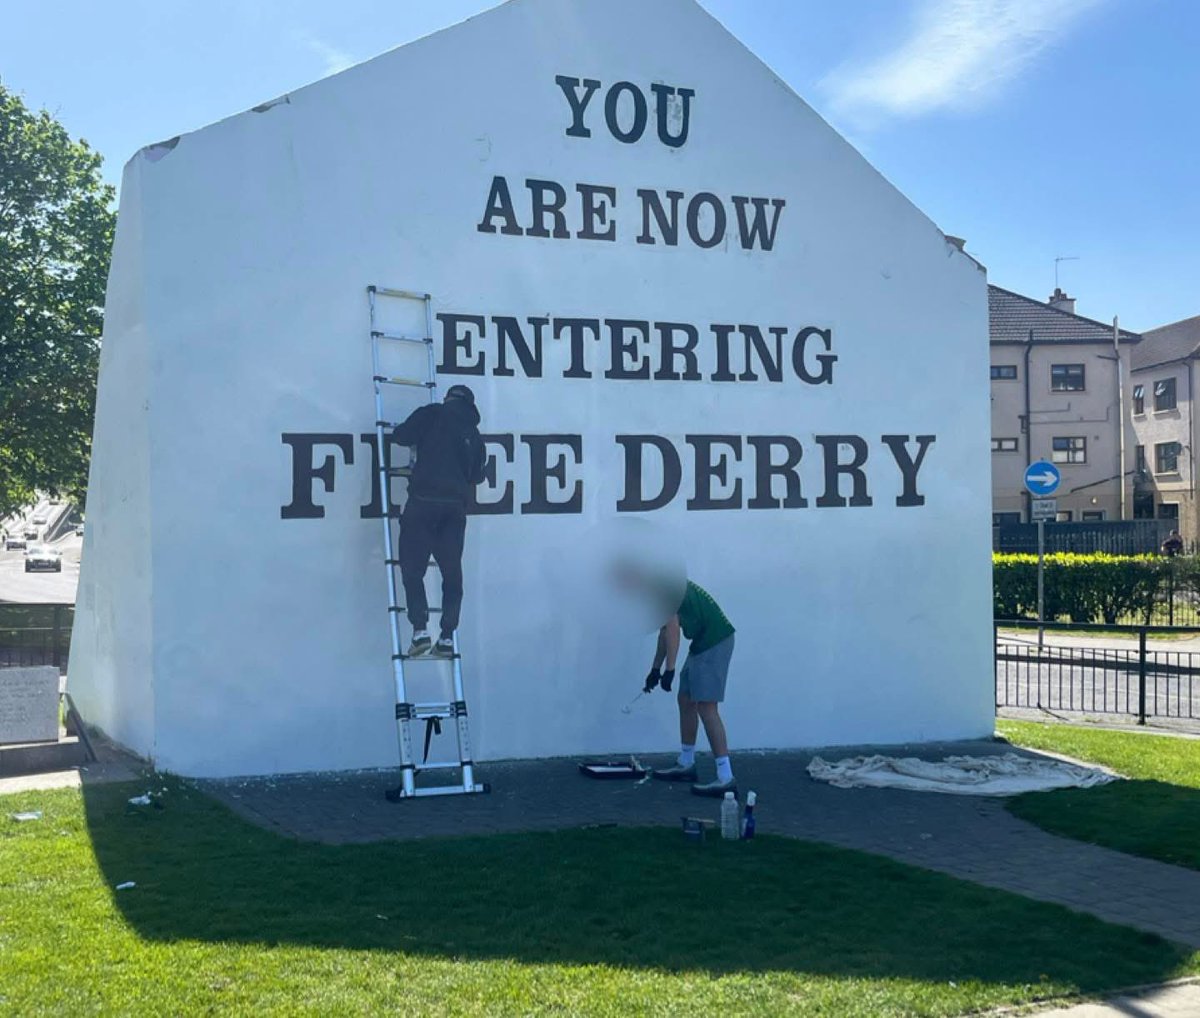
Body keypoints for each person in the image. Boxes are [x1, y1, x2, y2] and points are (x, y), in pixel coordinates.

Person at [392, 384, 485, 657]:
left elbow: (401, 436)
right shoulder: (475, 435)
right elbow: (477, 476)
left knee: (412, 569)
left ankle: (420, 631)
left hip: (423, 504)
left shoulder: (432, 414)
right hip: (454, 511)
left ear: (448, 399)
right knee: (452, 574)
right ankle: (446, 636)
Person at [645, 579, 738, 797]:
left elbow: (673, 629)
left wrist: (669, 669)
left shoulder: (662, 587)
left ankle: (726, 778)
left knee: (707, 707)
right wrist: (655, 670)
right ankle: (686, 763)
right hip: (701, 643)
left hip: (715, 641)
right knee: (685, 699)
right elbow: (664, 633)